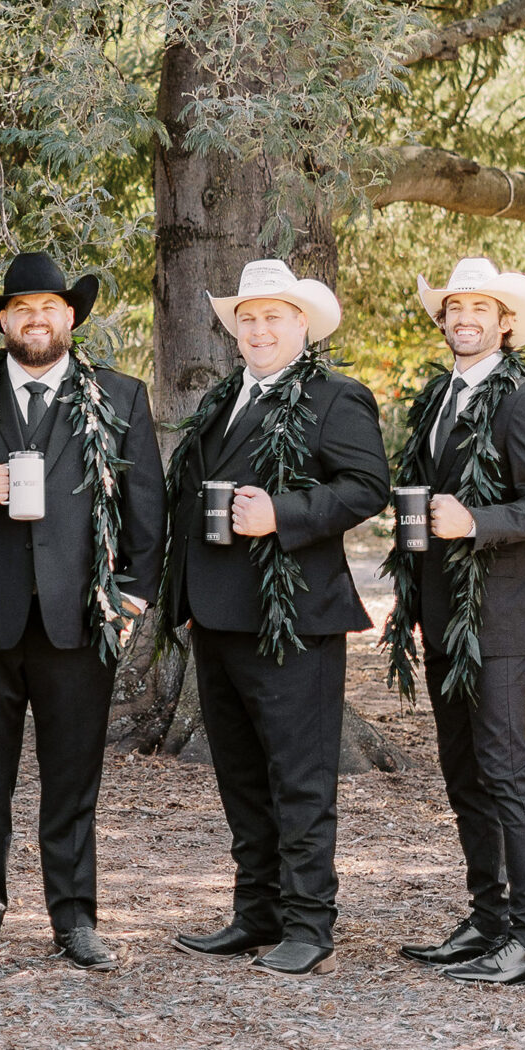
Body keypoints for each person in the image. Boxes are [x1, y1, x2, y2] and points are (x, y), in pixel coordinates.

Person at [0, 253, 165, 971]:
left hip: (78, 622)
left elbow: (148, 507)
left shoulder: (120, 395)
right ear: (2, 320)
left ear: (71, 317)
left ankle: (74, 919)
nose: (36, 319)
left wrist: (132, 595)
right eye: (21, 307)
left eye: (49, 306)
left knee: (73, 776)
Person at [161, 258, 389, 978]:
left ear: (302, 325)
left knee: (299, 775)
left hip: (293, 618)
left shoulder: (336, 397)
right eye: (248, 319)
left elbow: (367, 487)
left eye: (273, 317)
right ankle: (256, 912)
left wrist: (283, 513)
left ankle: (308, 923)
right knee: (241, 774)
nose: (259, 329)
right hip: (217, 616)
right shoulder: (223, 400)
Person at [386, 257, 525, 986]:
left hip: (497, 616)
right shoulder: (437, 398)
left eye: (479, 309)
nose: (464, 318)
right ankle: (486, 920)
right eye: (454, 307)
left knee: (504, 770)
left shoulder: (523, 399)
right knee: (463, 772)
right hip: (442, 614)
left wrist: (475, 521)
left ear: (504, 323)